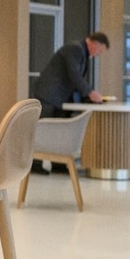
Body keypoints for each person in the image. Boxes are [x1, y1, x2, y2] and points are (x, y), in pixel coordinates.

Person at [31, 32, 109, 173]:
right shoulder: (75, 48)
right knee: (43, 129)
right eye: (100, 50)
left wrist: (88, 95)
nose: (98, 54)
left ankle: (58, 164)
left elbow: (76, 78)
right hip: (48, 94)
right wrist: (90, 92)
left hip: (60, 97)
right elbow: (73, 74)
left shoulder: (83, 54)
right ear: (94, 43)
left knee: (59, 132)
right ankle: (35, 164)